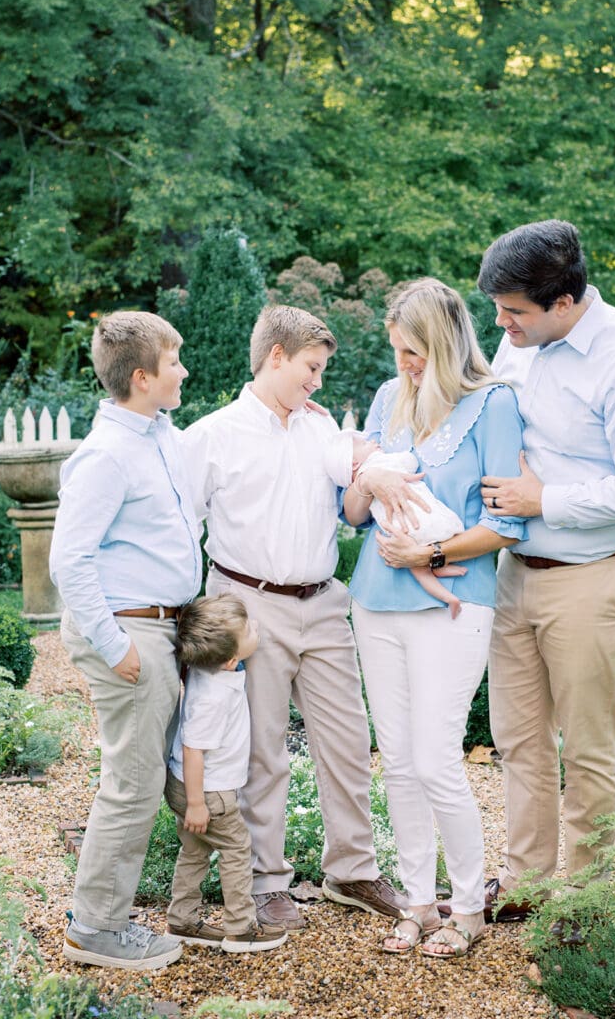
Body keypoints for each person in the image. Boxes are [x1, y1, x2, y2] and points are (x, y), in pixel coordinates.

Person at [476, 219, 615, 920]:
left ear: (565, 301)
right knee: (518, 741)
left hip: (598, 571)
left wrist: (546, 499)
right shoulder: (520, 349)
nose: (500, 325)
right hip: (516, 571)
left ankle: (586, 908)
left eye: (514, 312)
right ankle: (529, 885)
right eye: (497, 309)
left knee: (588, 749)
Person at [180, 304, 408, 931]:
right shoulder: (212, 436)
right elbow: (182, 526)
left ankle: (353, 871)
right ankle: (266, 879)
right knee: (262, 751)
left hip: (324, 601)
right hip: (249, 605)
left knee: (347, 741)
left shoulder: (319, 427)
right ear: (275, 356)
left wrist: (375, 470)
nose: (317, 381)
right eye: (311, 368)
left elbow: (354, 495)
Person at [343, 277, 526, 958]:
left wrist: (432, 548)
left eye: (414, 351)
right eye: (397, 350)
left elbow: (507, 523)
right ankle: (419, 902)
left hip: (456, 602)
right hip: (374, 599)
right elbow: (353, 508)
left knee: (438, 759)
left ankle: (470, 907)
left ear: (446, 342)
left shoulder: (495, 405)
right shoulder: (391, 398)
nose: (404, 364)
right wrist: (370, 480)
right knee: (397, 761)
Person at [49, 310, 202, 970]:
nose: (185, 371)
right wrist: (119, 648)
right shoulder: (107, 456)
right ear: (142, 378)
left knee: (143, 777)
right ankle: (97, 927)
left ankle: (103, 910)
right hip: (128, 627)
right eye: (174, 362)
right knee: (133, 782)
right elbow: (69, 561)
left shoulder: (159, 435)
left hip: (161, 623)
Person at [164, 593, 287, 954]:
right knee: (236, 849)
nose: (257, 628)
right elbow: (193, 749)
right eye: (250, 629)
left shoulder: (210, 668)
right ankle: (240, 928)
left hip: (186, 785)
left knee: (195, 850)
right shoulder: (213, 697)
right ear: (232, 657)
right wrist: (197, 803)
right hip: (207, 791)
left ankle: (182, 919)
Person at [326, 431, 468, 617]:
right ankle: (442, 570)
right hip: (418, 515)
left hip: (399, 529)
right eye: (364, 444)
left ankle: (447, 594)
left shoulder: (365, 475)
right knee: (448, 533)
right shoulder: (379, 464)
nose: (373, 441)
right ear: (355, 463)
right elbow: (410, 461)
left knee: (418, 568)